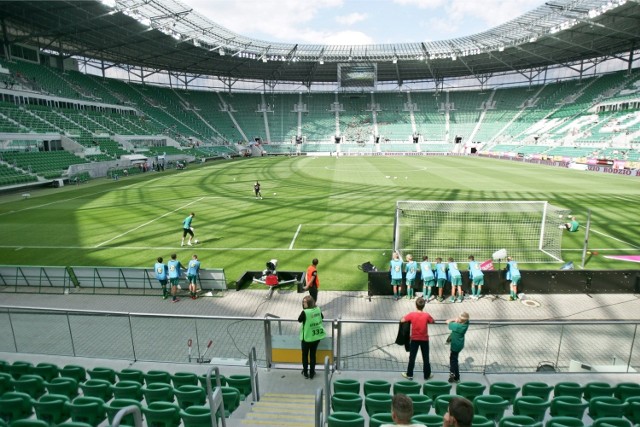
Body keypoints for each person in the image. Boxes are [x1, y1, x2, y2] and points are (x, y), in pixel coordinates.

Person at [400, 297, 435, 380]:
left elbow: (402, 320)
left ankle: (409, 374)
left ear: (416, 305)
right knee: (426, 358)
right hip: (424, 340)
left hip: (414, 339)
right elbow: (432, 321)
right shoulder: (426, 315)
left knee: (412, 357)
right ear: (424, 306)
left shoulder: (412, 314)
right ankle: (427, 375)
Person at [298, 295, 326, 379]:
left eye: (305, 302)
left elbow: (299, 320)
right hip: (316, 337)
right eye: (303, 302)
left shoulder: (305, 312)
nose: (303, 303)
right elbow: (322, 317)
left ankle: (306, 372)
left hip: (307, 338)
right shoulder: (318, 309)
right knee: (313, 355)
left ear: (309, 303)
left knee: (305, 355)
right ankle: (312, 372)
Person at [446, 312, 469, 383]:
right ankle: (456, 376)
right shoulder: (466, 323)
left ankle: (453, 373)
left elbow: (447, 322)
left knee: (453, 360)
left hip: (455, 345)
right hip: (460, 344)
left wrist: (453, 319)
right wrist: (458, 320)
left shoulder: (457, 326)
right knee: (454, 359)